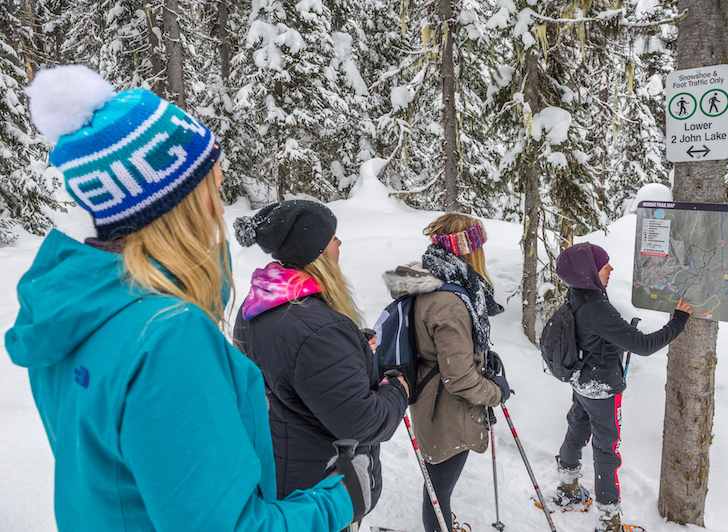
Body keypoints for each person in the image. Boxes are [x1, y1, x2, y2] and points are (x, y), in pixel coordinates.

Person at [5, 65, 367, 532]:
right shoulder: (166, 337)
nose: (221, 207)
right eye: (213, 188)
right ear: (174, 203)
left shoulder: (71, 313)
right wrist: (337, 502)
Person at [232, 200, 409, 512]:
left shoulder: (259, 304)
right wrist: (397, 390)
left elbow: (290, 365)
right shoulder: (320, 331)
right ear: (314, 252)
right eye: (332, 238)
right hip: (320, 490)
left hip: (277, 471)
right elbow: (362, 423)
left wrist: (351, 347)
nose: (339, 242)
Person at [382, 213, 511, 532]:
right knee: (438, 493)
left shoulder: (436, 283)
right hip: (446, 412)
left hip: (431, 400)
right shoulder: (449, 301)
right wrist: (497, 391)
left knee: (437, 488)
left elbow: (445, 350)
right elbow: (460, 379)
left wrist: (480, 353)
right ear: (469, 251)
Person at [551, 242, 692, 532]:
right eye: (605, 265)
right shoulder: (596, 308)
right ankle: (609, 520)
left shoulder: (577, 294)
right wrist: (678, 321)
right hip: (602, 389)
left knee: (577, 429)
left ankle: (567, 489)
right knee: (606, 449)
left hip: (582, 382)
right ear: (588, 271)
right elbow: (643, 345)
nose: (611, 269)